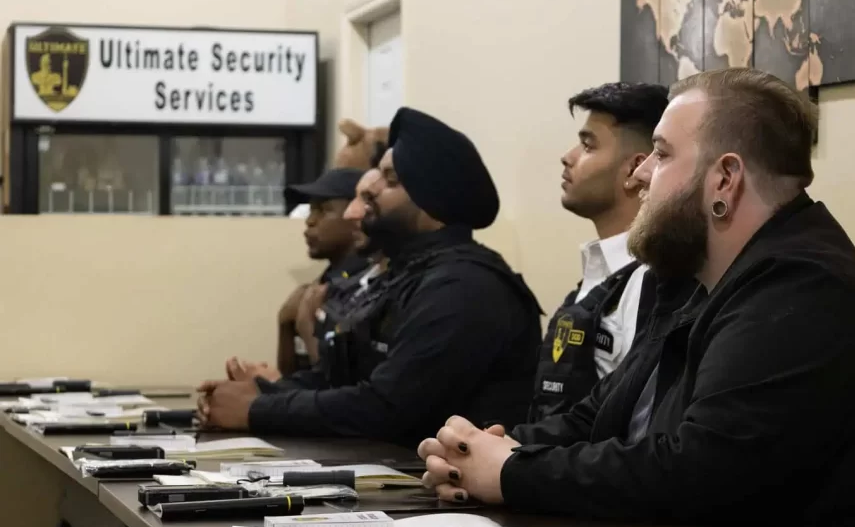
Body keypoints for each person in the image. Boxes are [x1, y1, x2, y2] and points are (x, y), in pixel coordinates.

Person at [417, 69, 855, 527]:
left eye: (660, 153)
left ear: (724, 178)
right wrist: (480, 452)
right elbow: (598, 416)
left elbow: (699, 472)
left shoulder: (804, 288)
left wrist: (514, 474)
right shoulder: (699, 279)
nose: (640, 175)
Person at [199, 107, 544, 447]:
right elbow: (338, 380)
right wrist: (256, 392)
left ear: (431, 204)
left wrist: (257, 409)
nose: (370, 191)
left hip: (449, 495)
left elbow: (386, 407)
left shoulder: (463, 287)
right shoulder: (406, 275)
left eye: (391, 180)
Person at [530, 82, 691, 421]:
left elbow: (634, 422)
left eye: (588, 145)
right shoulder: (598, 273)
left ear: (635, 169)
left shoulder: (652, 280)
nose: (568, 156)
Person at [230, 167, 389, 386]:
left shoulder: (368, 287)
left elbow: (343, 383)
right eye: (311, 210)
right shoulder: (328, 280)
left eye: (323, 210)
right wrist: (285, 324)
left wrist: (306, 326)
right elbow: (294, 376)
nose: (310, 221)